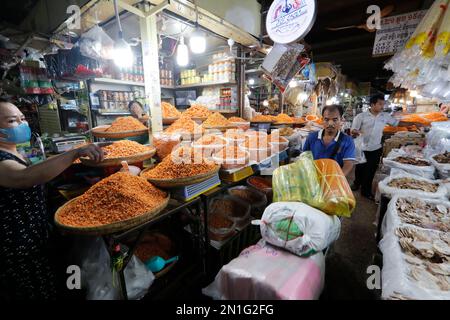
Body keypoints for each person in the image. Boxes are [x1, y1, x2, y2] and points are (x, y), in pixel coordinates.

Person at [0, 99, 105, 300]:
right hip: (17, 249)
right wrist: (74, 153)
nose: (22, 124)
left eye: (23, 118)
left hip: (37, 238)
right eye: (12, 120)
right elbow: (23, 177)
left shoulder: (18, 152)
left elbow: (38, 171)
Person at [351, 94, 401, 200]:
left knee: (370, 170)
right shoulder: (361, 117)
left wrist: (415, 123)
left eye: (383, 104)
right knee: (360, 167)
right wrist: (357, 132)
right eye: (380, 104)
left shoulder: (385, 116)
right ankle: (356, 183)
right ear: (372, 104)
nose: (382, 106)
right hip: (362, 148)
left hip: (376, 148)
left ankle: (366, 191)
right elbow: (353, 130)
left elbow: (396, 123)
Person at [303, 105, 356, 177]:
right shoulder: (312, 137)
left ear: (341, 120)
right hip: (314, 177)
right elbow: (305, 157)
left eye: (335, 120)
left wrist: (338, 179)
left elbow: (348, 163)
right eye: (327, 119)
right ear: (322, 120)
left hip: (334, 178)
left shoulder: (348, 141)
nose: (330, 124)